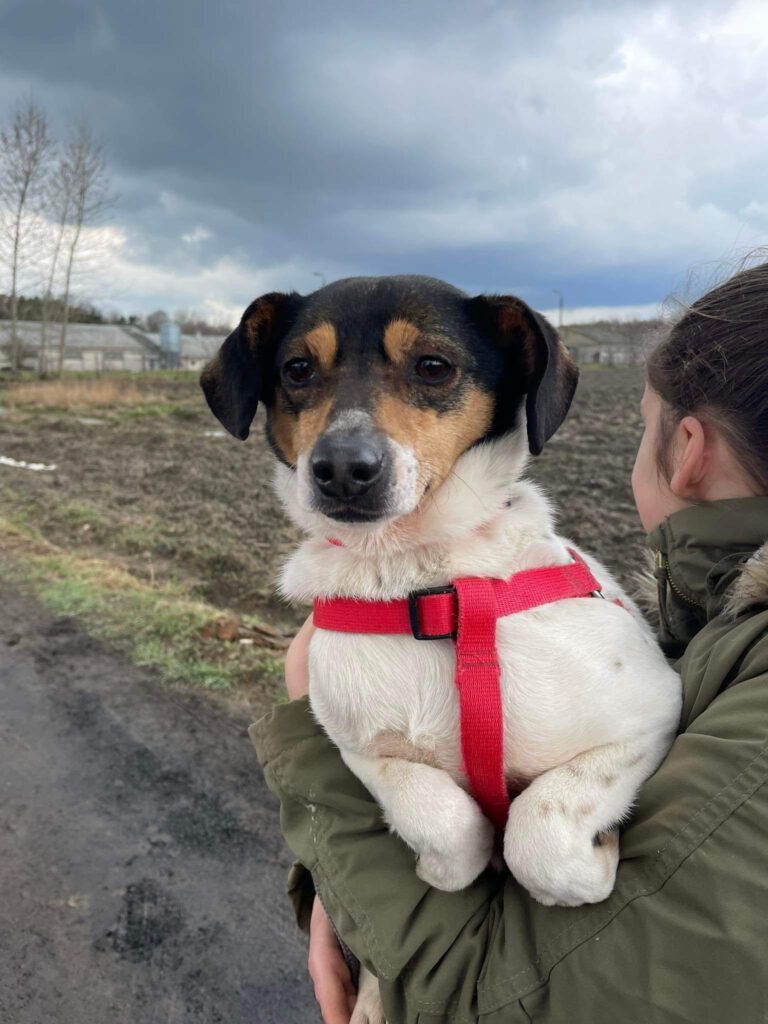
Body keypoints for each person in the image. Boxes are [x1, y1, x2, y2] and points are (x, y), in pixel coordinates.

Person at [250, 262, 768, 1024]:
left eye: (430, 370)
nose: (344, 441)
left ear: (687, 449)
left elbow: (504, 997)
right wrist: (350, 881)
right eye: (302, 374)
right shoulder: (706, 631)